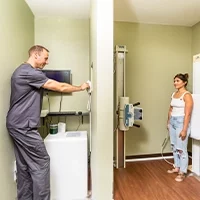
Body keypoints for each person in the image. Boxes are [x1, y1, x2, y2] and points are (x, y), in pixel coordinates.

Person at [6, 45, 90, 200]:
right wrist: (81, 87)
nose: (47, 61)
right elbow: (59, 86)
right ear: (35, 55)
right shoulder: (29, 72)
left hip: (17, 123)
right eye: (45, 58)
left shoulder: (24, 71)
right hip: (24, 126)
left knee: (24, 166)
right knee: (42, 162)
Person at [167, 73, 193, 182]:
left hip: (181, 122)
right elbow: (170, 109)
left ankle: (182, 172)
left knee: (181, 148)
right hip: (172, 121)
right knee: (174, 146)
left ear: (184, 82)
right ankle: (177, 167)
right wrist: (168, 122)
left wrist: (184, 129)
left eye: (177, 81)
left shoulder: (187, 95)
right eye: (174, 81)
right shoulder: (174, 94)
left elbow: (188, 114)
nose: (175, 83)